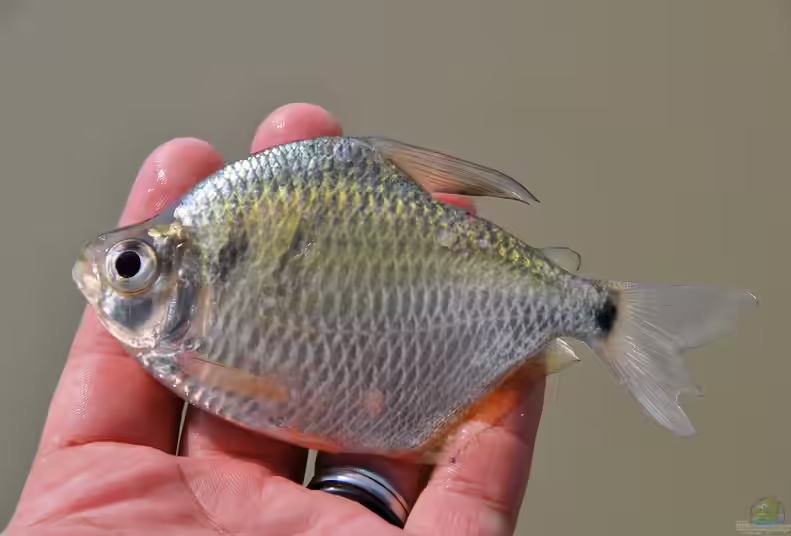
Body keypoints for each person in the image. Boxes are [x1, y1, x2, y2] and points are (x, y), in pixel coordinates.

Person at [4, 103, 546, 536]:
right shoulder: (192, 330)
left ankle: (577, 309)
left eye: (130, 268)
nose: (113, 280)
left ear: (187, 266)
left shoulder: (195, 342)